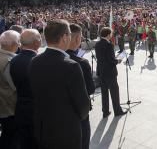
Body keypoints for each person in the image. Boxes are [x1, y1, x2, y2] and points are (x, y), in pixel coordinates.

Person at [29, 19, 90, 149]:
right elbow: (83, 106)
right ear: (64, 37)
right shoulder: (71, 66)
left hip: (43, 128)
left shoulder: (34, 61)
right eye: (69, 34)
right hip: (66, 131)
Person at [10, 29, 41, 149]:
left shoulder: (13, 60)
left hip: (20, 109)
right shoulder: (38, 61)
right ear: (35, 43)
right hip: (36, 112)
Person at [66, 24, 95, 149]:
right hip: (77, 115)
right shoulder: (81, 63)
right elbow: (90, 89)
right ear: (77, 39)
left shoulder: (37, 60)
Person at [95, 27, 127, 118]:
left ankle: (105, 111)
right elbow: (111, 60)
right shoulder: (109, 45)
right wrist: (118, 60)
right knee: (114, 92)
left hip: (101, 71)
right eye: (111, 34)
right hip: (110, 73)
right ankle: (117, 111)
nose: (112, 35)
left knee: (104, 92)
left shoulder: (97, 44)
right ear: (108, 35)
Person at [0, 30, 20, 149]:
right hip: (8, 106)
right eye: (18, 42)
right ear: (13, 44)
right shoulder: (9, 61)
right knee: (10, 137)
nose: (19, 45)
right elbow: (14, 85)